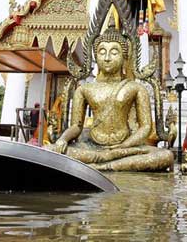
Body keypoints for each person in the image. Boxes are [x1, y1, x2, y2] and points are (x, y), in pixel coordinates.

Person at [47, 25, 173, 171]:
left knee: (165, 156)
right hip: (92, 146)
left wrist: (124, 146)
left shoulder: (135, 88)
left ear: (124, 58)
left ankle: (102, 166)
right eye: (102, 52)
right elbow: (76, 126)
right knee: (49, 150)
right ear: (95, 56)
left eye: (114, 52)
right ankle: (106, 163)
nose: (107, 58)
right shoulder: (84, 89)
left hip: (125, 146)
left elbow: (145, 127)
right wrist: (63, 139)